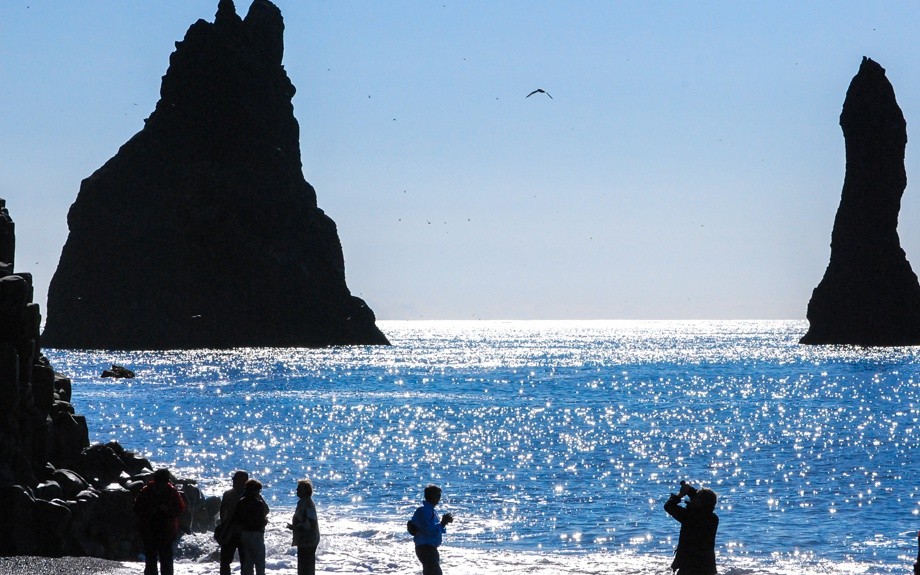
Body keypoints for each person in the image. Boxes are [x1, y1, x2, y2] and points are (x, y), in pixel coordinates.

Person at [133, 468, 187, 575]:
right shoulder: (147, 490)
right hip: (151, 529)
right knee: (152, 559)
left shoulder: (171, 491)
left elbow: (180, 509)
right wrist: (151, 510)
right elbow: (137, 507)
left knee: (164, 559)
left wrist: (167, 510)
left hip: (165, 530)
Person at [664, 480, 719, 575]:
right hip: (707, 566)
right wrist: (689, 490)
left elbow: (669, 506)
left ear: (698, 501)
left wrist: (680, 494)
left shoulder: (689, 516)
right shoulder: (713, 519)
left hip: (688, 566)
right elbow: (703, 502)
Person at [410, 484, 454, 575]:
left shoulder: (432, 511)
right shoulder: (424, 511)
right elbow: (428, 530)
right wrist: (442, 523)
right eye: (437, 495)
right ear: (430, 496)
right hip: (425, 548)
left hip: (430, 548)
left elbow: (435, 529)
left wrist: (444, 523)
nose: (439, 498)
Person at [232, 479, 270, 575]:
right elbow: (266, 511)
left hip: (244, 534)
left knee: (247, 564)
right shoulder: (258, 503)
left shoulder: (241, 502)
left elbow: (236, 519)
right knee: (259, 563)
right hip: (256, 535)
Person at [218, 470, 249, 575]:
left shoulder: (250, 494)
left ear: (245, 481)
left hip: (245, 532)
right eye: (234, 480)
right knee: (225, 561)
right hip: (230, 530)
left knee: (245, 562)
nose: (234, 482)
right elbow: (222, 511)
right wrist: (224, 525)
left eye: (236, 480)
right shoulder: (228, 494)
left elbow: (265, 510)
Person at [288, 478, 321, 575]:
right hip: (304, 539)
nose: (296, 490)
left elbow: (310, 522)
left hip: (309, 539)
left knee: (306, 566)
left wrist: (295, 527)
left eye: (299, 488)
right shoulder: (302, 502)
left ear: (306, 491)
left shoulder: (308, 503)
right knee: (304, 565)